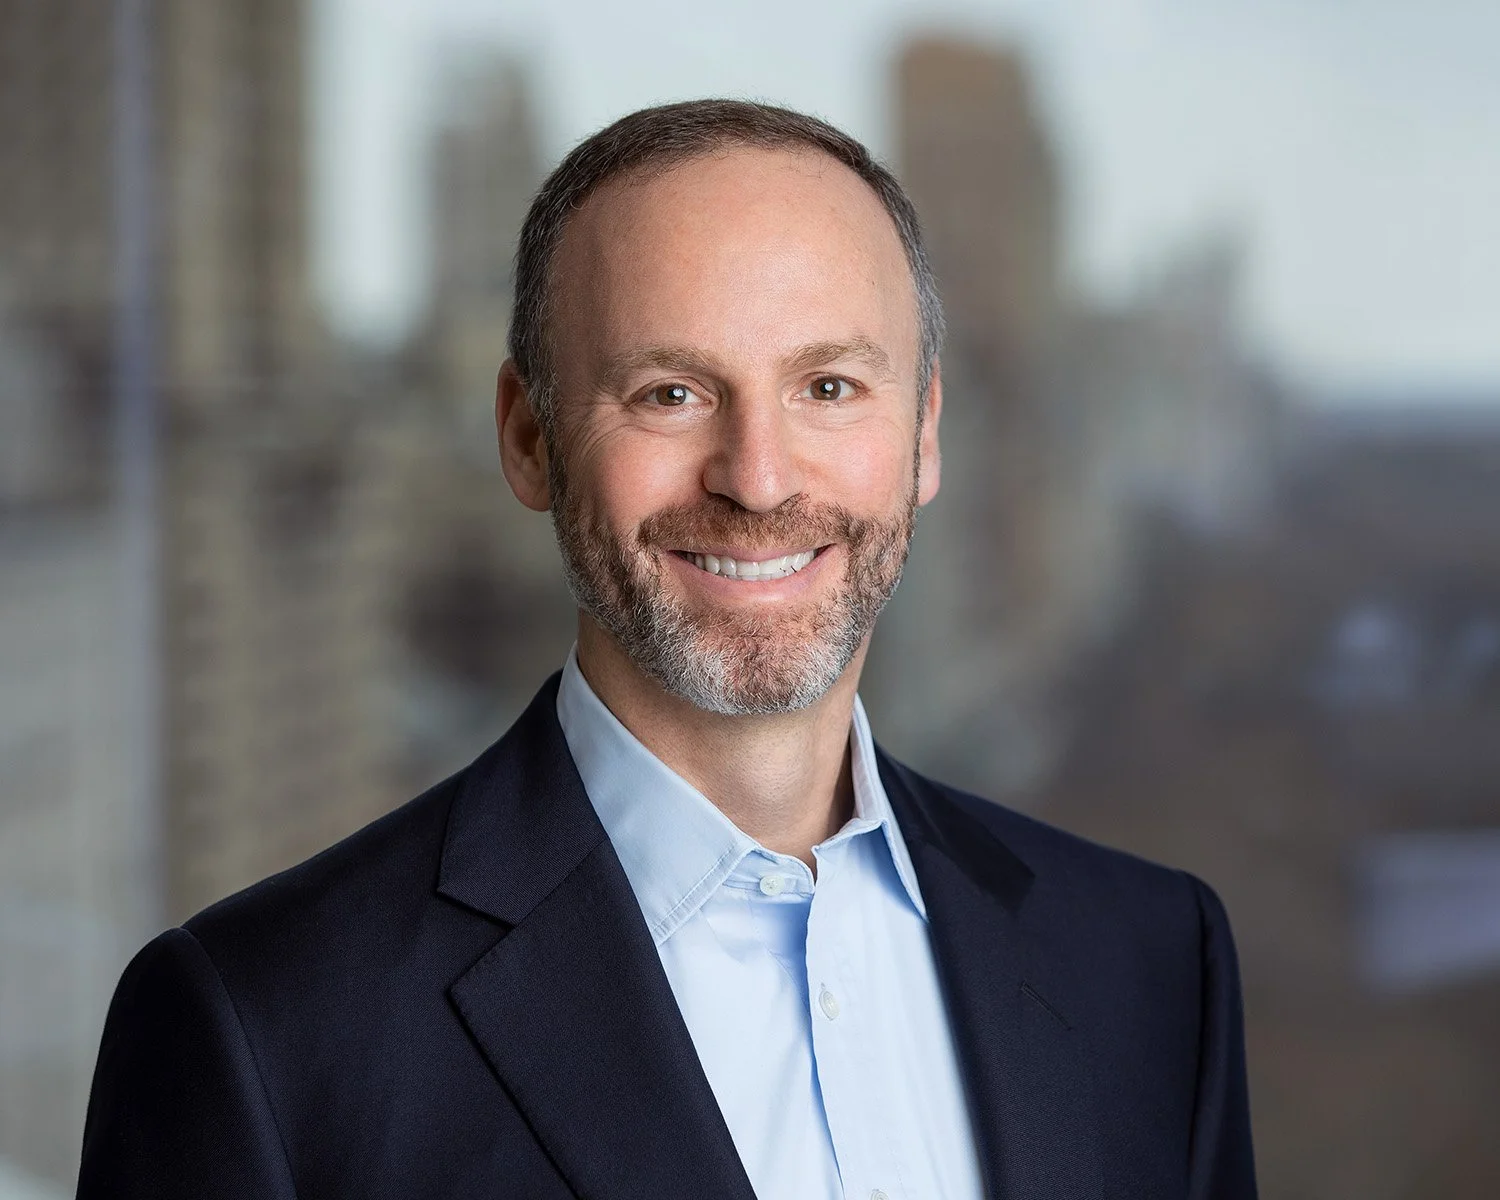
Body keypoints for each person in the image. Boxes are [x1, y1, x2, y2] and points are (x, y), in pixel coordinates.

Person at [77, 100, 1256, 1200]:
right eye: (672, 393)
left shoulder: (1153, 963)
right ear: (529, 439)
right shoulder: (263, 1032)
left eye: (829, 387)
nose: (756, 477)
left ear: (924, 436)